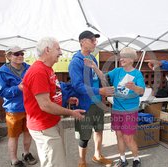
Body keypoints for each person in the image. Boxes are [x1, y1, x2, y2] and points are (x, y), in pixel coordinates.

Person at [23, 37, 85, 167]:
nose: (61, 53)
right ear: (47, 50)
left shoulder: (47, 68)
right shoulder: (38, 71)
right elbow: (45, 104)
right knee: (54, 163)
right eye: (58, 49)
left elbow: (51, 93)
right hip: (44, 126)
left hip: (51, 122)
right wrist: (71, 112)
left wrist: (66, 99)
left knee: (57, 159)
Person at [84, 47, 145, 167]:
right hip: (116, 109)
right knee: (118, 135)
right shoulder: (117, 71)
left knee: (128, 138)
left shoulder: (137, 74)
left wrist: (134, 88)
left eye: (125, 57)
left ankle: (136, 159)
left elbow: (141, 91)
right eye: (121, 56)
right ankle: (123, 159)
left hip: (130, 111)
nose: (121, 59)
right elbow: (103, 76)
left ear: (132, 59)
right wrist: (94, 67)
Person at [68, 30, 114, 167]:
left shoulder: (93, 59)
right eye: (92, 40)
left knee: (99, 129)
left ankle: (97, 156)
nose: (95, 43)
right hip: (84, 104)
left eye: (95, 40)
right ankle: (82, 162)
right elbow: (77, 86)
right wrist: (99, 90)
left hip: (97, 103)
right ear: (83, 42)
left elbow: (97, 78)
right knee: (84, 135)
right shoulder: (75, 62)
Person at [0, 46, 37, 167]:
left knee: (28, 133)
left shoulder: (29, 68)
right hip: (13, 110)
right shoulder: (2, 72)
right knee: (13, 136)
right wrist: (18, 88)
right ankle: (14, 160)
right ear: (9, 56)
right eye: (16, 54)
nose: (20, 56)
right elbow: (1, 92)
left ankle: (26, 153)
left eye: (21, 53)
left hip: (30, 107)